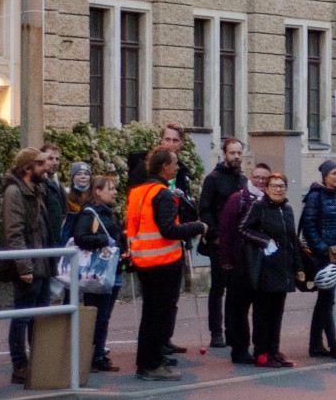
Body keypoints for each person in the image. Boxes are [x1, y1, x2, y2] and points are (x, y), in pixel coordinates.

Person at [125, 149, 206, 381]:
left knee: (150, 315)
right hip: (163, 263)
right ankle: (153, 365)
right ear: (163, 167)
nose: (177, 167)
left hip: (143, 261)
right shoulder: (163, 194)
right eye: (174, 164)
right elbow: (169, 229)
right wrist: (198, 227)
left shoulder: (138, 192)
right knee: (160, 316)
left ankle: (146, 362)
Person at [237, 173, 305, 368]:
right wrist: (265, 240)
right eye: (274, 186)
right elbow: (243, 228)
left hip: (283, 269)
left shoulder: (288, 209)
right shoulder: (259, 207)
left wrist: (298, 268)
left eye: (281, 186)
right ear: (266, 189)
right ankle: (261, 353)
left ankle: (274, 350)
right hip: (264, 268)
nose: (278, 189)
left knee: (277, 312)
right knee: (263, 313)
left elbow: (293, 240)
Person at [1, 147, 54, 385]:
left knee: (39, 316)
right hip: (31, 265)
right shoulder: (14, 192)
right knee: (22, 316)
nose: (47, 167)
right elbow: (15, 233)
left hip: (41, 263)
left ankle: (39, 360)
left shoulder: (36, 189)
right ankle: (20, 364)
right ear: (27, 168)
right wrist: (24, 267)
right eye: (41, 164)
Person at [71, 175, 129, 372]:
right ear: (97, 190)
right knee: (99, 314)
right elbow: (80, 237)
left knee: (104, 315)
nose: (114, 192)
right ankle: (93, 356)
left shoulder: (106, 213)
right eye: (110, 188)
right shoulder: (90, 213)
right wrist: (106, 240)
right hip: (98, 271)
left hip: (112, 270)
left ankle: (97, 354)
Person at [219, 162, 271, 364]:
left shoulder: (272, 201)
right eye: (256, 177)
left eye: (264, 178)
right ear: (250, 177)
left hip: (264, 264)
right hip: (240, 263)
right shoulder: (237, 199)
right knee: (238, 310)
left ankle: (262, 349)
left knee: (262, 309)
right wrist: (226, 260)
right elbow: (226, 231)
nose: (260, 181)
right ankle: (240, 349)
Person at [198, 137, 246, 348]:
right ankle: (216, 333)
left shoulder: (243, 180)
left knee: (237, 289)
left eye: (239, 153)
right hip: (219, 242)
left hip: (240, 243)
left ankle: (232, 330)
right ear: (224, 154)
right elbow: (205, 209)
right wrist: (215, 235)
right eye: (232, 153)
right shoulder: (213, 178)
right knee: (218, 288)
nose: (236, 157)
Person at [301, 159, 336, 361]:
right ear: (325, 176)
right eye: (334, 173)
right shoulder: (315, 197)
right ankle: (334, 346)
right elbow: (309, 227)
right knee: (328, 301)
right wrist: (323, 250)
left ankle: (315, 345)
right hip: (323, 257)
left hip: (335, 255)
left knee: (324, 301)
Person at [40, 144, 68, 246]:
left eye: (57, 159)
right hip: (45, 240)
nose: (55, 162)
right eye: (50, 158)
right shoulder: (39, 184)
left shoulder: (59, 184)